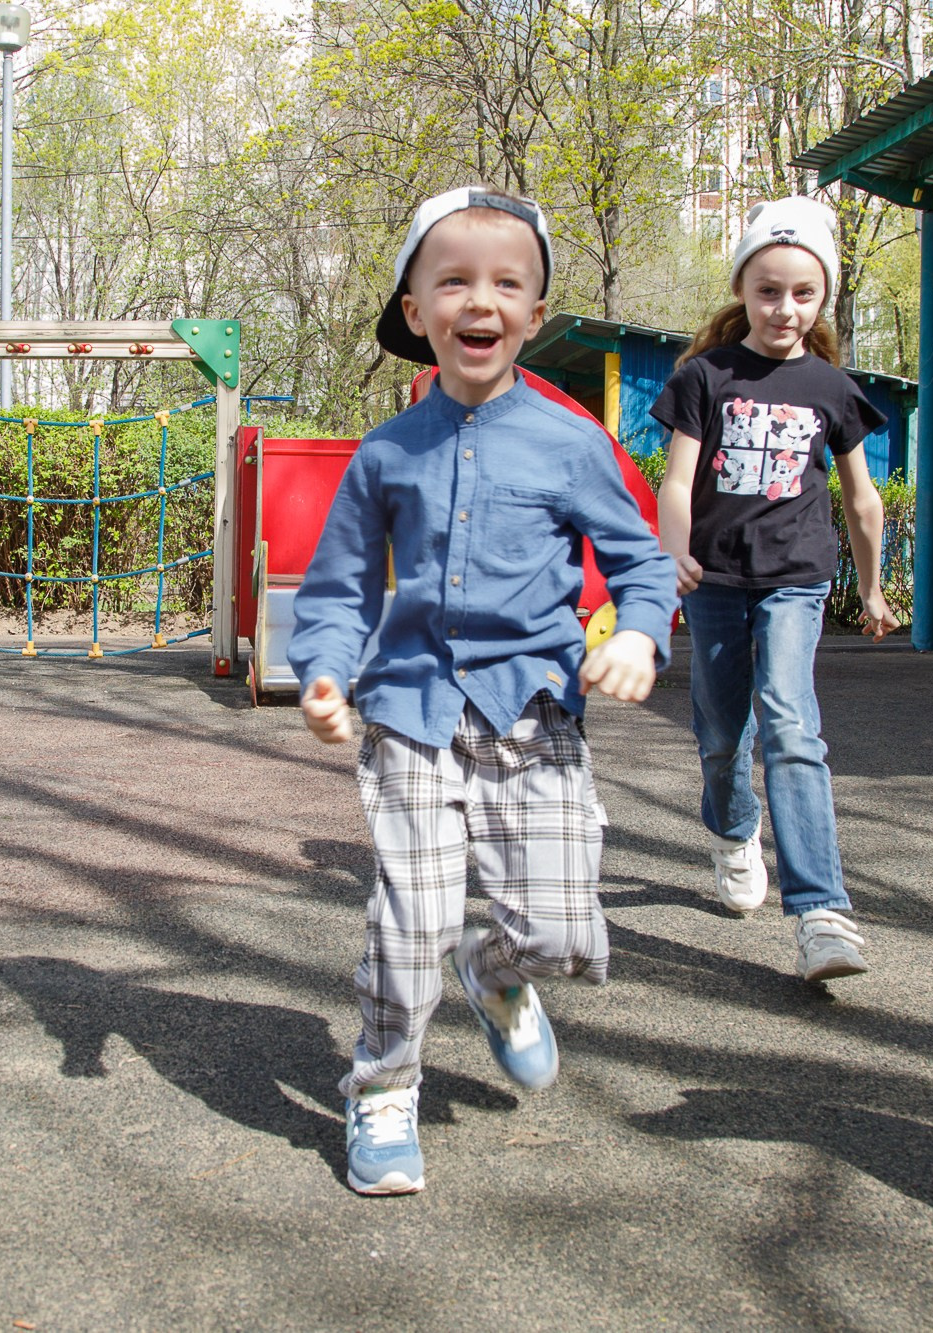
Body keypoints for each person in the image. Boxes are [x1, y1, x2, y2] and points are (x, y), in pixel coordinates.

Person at [289, 187, 677, 1195]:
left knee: (560, 932)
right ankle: (381, 1086)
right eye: (452, 280)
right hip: (411, 710)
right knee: (407, 920)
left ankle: (495, 970)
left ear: (534, 318)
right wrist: (325, 673)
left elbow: (641, 563)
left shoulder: (570, 444)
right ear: (414, 311)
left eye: (506, 284)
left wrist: (638, 632)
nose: (480, 300)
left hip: (532, 713)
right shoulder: (384, 453)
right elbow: (333, 589)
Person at [650, 195, 896, 984]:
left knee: (791, 723)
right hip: (717, 579)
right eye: (767, 290)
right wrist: (672, 555)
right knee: (723, 736)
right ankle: (733, 831)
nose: (784, 308)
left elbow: (862, 499)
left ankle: (822, 911)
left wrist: (876, 587)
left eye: (802, 293)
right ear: (742, 291)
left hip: (797, 579)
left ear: (821, 297)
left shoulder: (832, 387)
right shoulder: (705, 377)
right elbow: (677, 481)